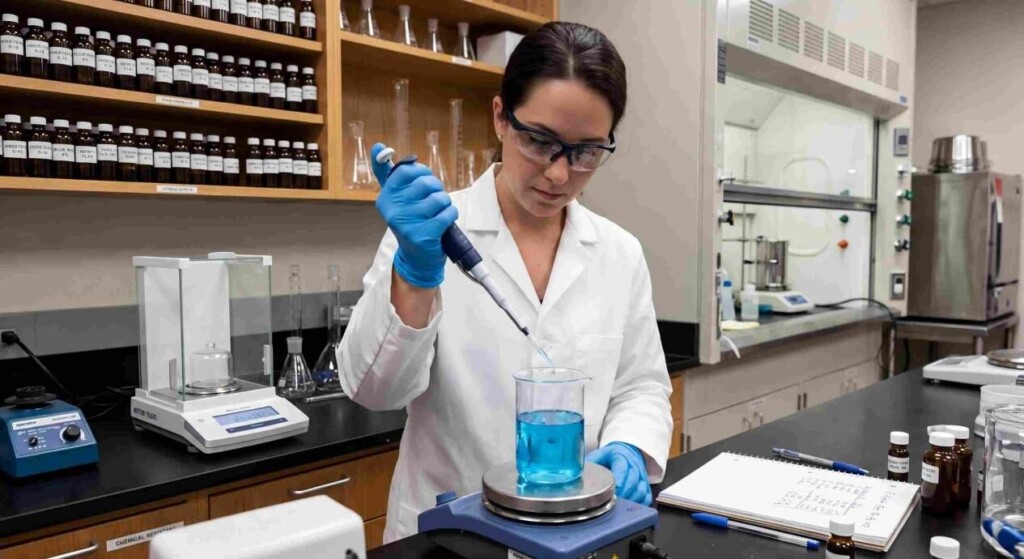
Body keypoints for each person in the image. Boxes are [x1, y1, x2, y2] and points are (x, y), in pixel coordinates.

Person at [339, 21, 672, 543]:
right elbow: (372, 391)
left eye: (585, 152)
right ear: (500, 118)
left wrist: (631, 445)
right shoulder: (431, 231)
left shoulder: (619, 253)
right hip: (450, 534)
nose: (559, 175)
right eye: (540, 141)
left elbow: (641, 386)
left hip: (577, 531)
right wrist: (415, 275)